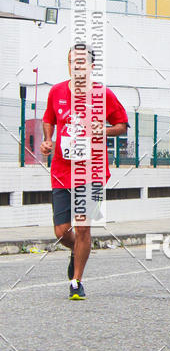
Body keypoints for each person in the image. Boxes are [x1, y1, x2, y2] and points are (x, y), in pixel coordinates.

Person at [41, 44, 128, 299]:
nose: (76, 66)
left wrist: (103, 130)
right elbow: (49, 118)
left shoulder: (104, 95)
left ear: (91, 66)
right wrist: (48, 140)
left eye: (80, 62)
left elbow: (122, 125)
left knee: (83, 227)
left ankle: (76, 281)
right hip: (61, 169)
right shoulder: (56, 92)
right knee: (61, 231)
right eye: (71, 61)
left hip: (93, 171)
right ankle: (77, 250)